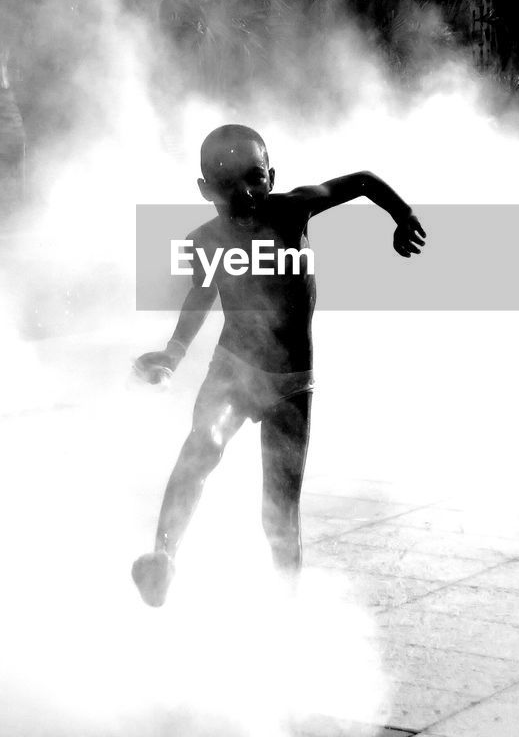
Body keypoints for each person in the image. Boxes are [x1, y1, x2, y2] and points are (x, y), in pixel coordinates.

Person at [130, 124, 426, 606]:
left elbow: (363, 181)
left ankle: (287, 613)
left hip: (291, 384)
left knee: (280, 514)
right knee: (201, 448)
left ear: (273, 176)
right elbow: (200, 297)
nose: (244, 193)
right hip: (233, 371)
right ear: (205, 190)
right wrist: (173, 355)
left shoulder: (291, 210)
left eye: (255, 178)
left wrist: (402, 215)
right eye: (226, 184)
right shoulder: (206, 239)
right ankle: (161, 558)